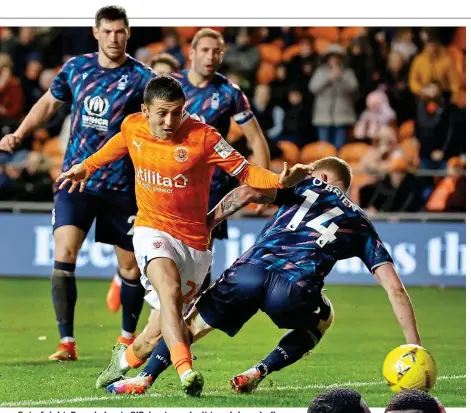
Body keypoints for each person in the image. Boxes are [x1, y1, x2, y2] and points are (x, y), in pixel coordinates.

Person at [56, 75, 312, 397]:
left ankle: (122, 360)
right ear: (145, 110)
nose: (169, 121)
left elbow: (245, 171)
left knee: (154, 333)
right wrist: (87, 167)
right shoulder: (132, 126)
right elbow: (118, 146)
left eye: (177, 112)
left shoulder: (204, 137)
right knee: (169, 288)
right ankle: (186, 370)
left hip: (194, 243)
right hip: (150, 227)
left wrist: (278, 179)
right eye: (162, 113)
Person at [100, 156, 422, 395]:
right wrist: (414, 348)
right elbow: (394, 289)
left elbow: (250, 192)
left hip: (250, 272)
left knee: (191, 325)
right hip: (293, 290)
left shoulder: (305, 183)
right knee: (324, 317)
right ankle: (258, 371)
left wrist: (210, 221)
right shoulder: (359, 219)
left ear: (322, 174)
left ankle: (145, 378)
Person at [0, 5, 156, 361]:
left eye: (121, 32)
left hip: (122, 184)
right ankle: (66, 342)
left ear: (128, 34)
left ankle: (128, 338)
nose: (115, 38)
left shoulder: (141, 77)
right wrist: (22, 133)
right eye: (108, 31)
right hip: (76, 180)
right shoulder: (76, 68)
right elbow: (49, 104)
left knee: (130, 268)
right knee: (64, 255)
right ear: (96, 33)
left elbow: (163, 117)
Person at [106, 27, 271, 337]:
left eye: (217, 51)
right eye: (205, 50)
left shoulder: (230, 92)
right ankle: (139, 329)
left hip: (210, 189)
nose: (211, 57)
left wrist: (263, 188)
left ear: (223, 55)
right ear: (191, 53)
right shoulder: (172, 87)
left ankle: (164, 333)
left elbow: (256, 140)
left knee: (197, 270)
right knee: (151, 261)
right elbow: (138, 123)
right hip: (162, 180)